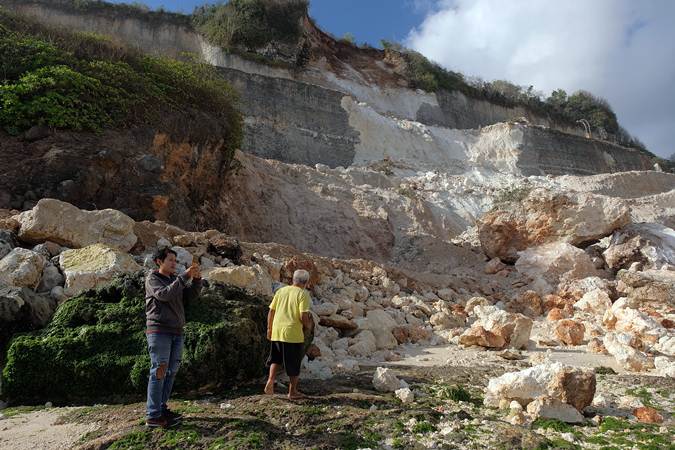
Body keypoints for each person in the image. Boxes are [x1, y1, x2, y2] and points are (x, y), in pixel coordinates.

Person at [144, 248, 202, 428]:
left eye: (175, 260)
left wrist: (197, 280)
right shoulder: (153, 279)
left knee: (171, 371)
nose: (174, 263)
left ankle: (161, 408)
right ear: (159, 262)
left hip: (176, 331)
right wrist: (183, 277)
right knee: (159, 370)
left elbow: (188, 297)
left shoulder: (173, 280)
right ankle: (153, 415)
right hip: (159, 331)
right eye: (170, 260)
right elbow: (164, 295)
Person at [264, 269, 313, 399]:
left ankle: (270, 381)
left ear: (293, 279)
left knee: (276, 358)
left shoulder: (281, 291)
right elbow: (303, 315)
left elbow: (271, 311)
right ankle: (292, 392)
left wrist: (269, 329)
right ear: (306, 282)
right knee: (293, 364)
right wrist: (308, 326)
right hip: (292, 334)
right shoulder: (303, 294)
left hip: (277, 331)